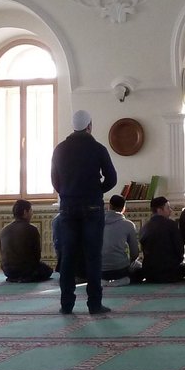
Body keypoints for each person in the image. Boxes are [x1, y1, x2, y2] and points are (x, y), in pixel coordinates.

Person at [50, 109, 117, 315]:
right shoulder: (98, 148)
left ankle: (66, 304)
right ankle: (94, 304)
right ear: (90, 126)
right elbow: (112, 178)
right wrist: (96, 191)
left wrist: (68, 193)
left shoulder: (60, 149)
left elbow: (55, 180)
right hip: (92, 207)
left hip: (68, 207)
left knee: (68, 255)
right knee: (93, 256)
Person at [0, 198, 53, 283]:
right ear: (25, 212)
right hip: (27, 271)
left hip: (8, 271)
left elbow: (2, 253)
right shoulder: (32, 229)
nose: (32, 213)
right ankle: (24, 277)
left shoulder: (3, 230)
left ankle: (15, 278)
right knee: (48, 270)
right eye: (31, 211)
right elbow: (37, 255)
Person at [139, 196, 184, 283]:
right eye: (168, 208)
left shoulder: (145, 227)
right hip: (170, 272)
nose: (170, 210)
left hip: (150, 273)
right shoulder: (172, 225)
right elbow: (180, 249)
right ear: (159, 210)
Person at [101, 193, 142, 287]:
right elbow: (135, 253)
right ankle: (123, 280)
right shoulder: (128, 225)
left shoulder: (97, 222)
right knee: (141, 270)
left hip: (100, 270)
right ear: (123, 208)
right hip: (120, 270)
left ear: (109, 206)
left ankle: (102, 280)